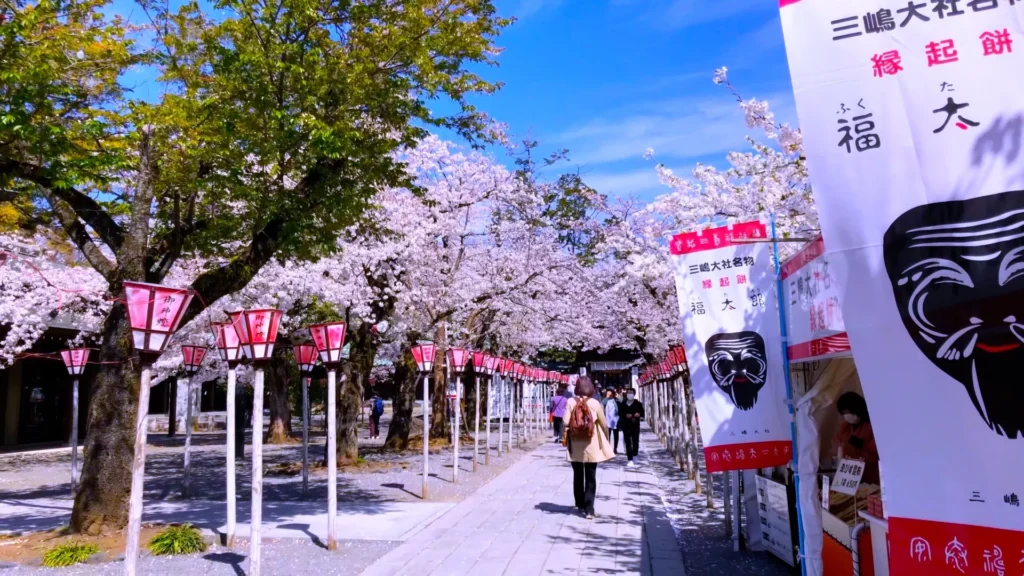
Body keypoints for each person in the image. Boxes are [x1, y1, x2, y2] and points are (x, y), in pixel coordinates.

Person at [563, 376, 614, 519]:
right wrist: (606, 438)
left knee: (577, 475)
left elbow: (566, 421)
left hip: (575, 444)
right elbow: (603, 423)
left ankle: (579, 504)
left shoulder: (570, 402)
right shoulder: (595, 403)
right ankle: (589, 509)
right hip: (591, 443)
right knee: (591, 476)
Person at [835, 391, 879, 484]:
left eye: (851, 412)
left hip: (871, 476)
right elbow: (839, 449)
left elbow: (880, 449)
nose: (849, 415)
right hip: (849, 477)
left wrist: (862, 444)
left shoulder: (873, 425)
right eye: (845, 412)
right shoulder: (844, 427)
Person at [618, 387, 644, 467]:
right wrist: (625, 415)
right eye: (628, 392)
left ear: (634, 394)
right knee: (628, 442)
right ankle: (630, 459)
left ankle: (635, 455)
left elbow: (642, 413)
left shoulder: (638, 404)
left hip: (635, 425)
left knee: (635, 440)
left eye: (631, 392)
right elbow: (620, 413)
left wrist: (638, 414)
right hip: (626, 425)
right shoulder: (623, 404)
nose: (629, 394)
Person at [603, 389, 620, 454]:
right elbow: (601, 406)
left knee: (616, 435)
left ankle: (615, 448)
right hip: (607, 420)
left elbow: (621, 403)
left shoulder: (617, 400)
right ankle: (608, 448)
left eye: (610, 393)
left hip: (616, 420)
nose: (609, 394)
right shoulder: (605, 400)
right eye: (608, 393)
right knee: (608, 435)